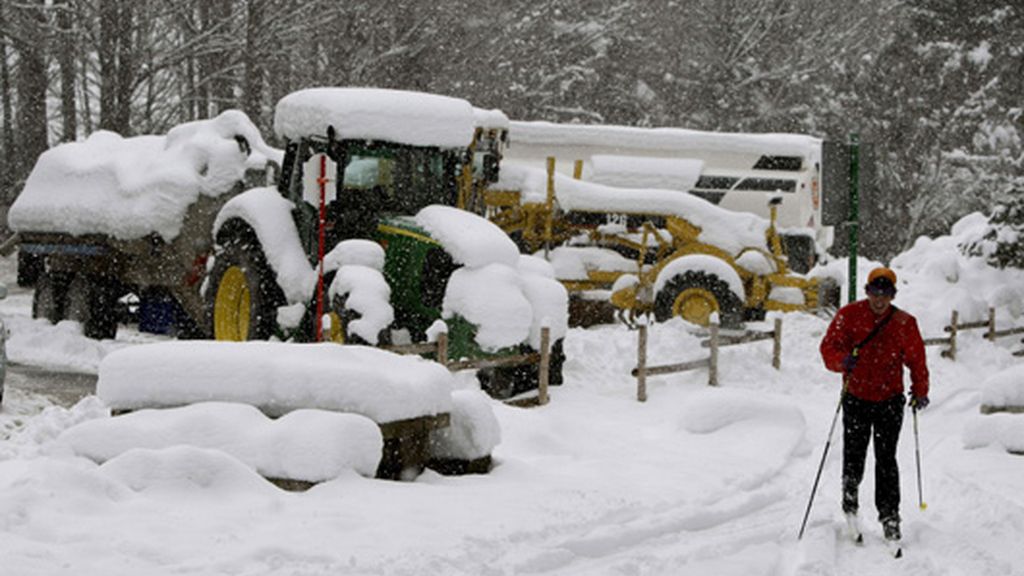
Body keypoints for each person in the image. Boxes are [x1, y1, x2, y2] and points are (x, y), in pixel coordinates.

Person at [819, 266, 929, 544]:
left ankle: (890, 515)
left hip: (889, 400)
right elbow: (828, 349)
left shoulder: (905, 322)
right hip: (856, 396)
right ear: (867, 291)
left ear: (893, 295)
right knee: (855, 453)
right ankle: (850, 498)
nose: (879, 299)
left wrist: (920, 390)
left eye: (886, 294)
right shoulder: (849, 315)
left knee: (886, 459)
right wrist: (842, 361)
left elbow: (916, 360)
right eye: (874, 292)